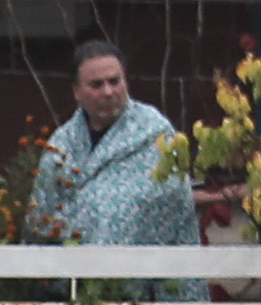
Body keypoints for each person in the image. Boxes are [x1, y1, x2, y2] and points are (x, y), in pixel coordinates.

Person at [23, 39, 201, 250]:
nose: (108, 92)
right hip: (75, 265)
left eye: (114, 82)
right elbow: (41, 220)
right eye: (96, 85)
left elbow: (174, 202)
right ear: (77, 91)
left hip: (144, 263)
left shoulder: (154, 132)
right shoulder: (61, 145)